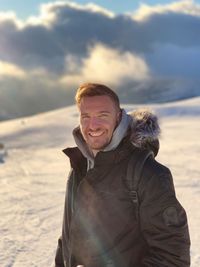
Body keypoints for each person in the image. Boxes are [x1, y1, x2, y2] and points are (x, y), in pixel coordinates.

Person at [54, 83, 190, 267]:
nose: (92, 125)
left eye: (102, 115)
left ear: (118, 117)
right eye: (86, 116)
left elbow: (173, 257)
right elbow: (70, 235)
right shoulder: (80, 163)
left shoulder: (147, 173)